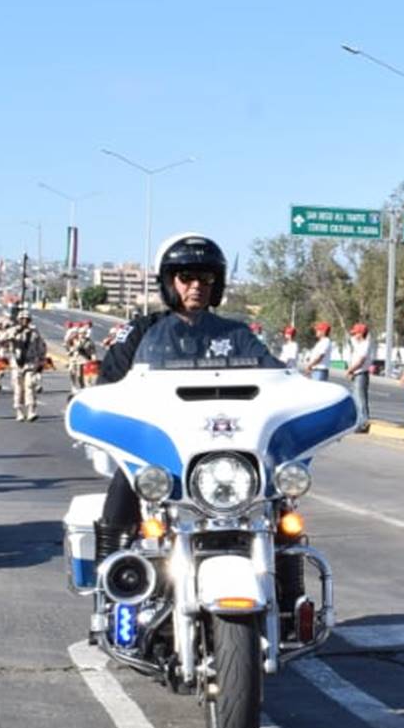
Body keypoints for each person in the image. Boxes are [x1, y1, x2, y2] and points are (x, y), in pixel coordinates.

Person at [93, 234, 277, 553]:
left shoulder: (236, 335)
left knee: (280, 497)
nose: (196, 285)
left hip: (228, 447)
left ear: (216, 283)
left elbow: (277, 378)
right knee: (126, 480)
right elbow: (108, 384)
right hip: (160, 446)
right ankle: (113, 573)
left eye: (205, 277)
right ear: (168, 281)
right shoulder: (141, 331)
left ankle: (288, 582)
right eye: (186, 276)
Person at [11, 312, 48, 421]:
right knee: (18, 389)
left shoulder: (34, 333)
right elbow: (1, 340)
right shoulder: (13, 331)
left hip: (30, 363)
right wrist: (14, 333)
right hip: (17, 364)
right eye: (22, 319)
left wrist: (41, 361)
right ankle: (19, 411)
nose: (24, 321)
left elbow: (41, 347)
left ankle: (31, 410)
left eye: (26, 319)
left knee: (30, 386)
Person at [344, 322, 373, 432]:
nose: (354, 335)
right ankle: (358, 422)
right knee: (355, 399)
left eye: (356, 333)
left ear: (361, 334)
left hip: (361, 374)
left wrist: (350, 370)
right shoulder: (358, 344)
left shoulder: (365, 344)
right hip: (356, 373)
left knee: (361, 399)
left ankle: (364, 423)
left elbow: (360, 361)